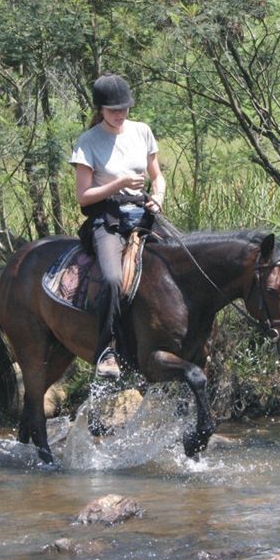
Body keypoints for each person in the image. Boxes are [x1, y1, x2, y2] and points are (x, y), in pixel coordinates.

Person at [69, 74, 165, 378]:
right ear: (100, 109)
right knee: (111, 278)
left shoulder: (142, 131)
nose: (120, 115)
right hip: (107, 220)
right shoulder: (88, 142)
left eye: (123, 109)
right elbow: (84, 197)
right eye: (113, 111)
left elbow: (157, 175)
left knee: (185, 260)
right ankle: (106, 350)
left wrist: (159, 196)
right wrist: (119, 184)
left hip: (143, 214)